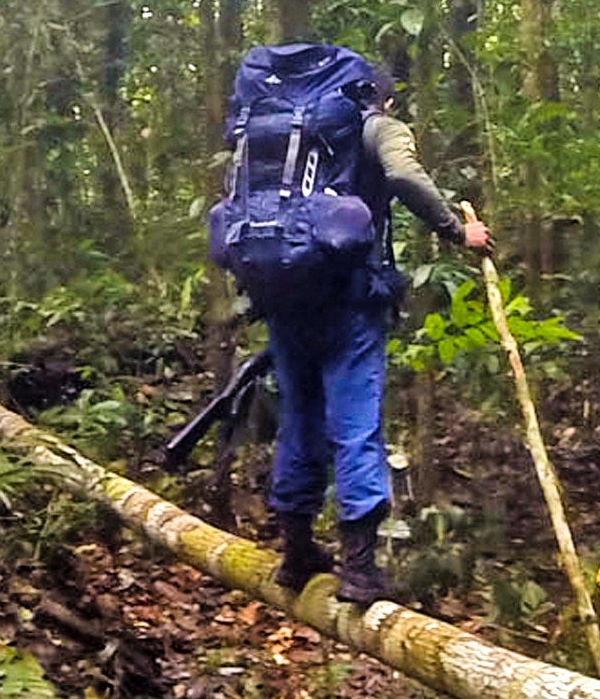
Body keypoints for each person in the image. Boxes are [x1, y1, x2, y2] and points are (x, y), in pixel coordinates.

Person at [208, 43, 494, 606]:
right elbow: (405, 176)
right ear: (380, 95)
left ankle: (296, 554)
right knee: (357, 425)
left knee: (298, 420)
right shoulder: (376, 126)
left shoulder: (281, 135)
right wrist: (458, 232)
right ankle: (359, 570)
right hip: (349, 300)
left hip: (283, 295)